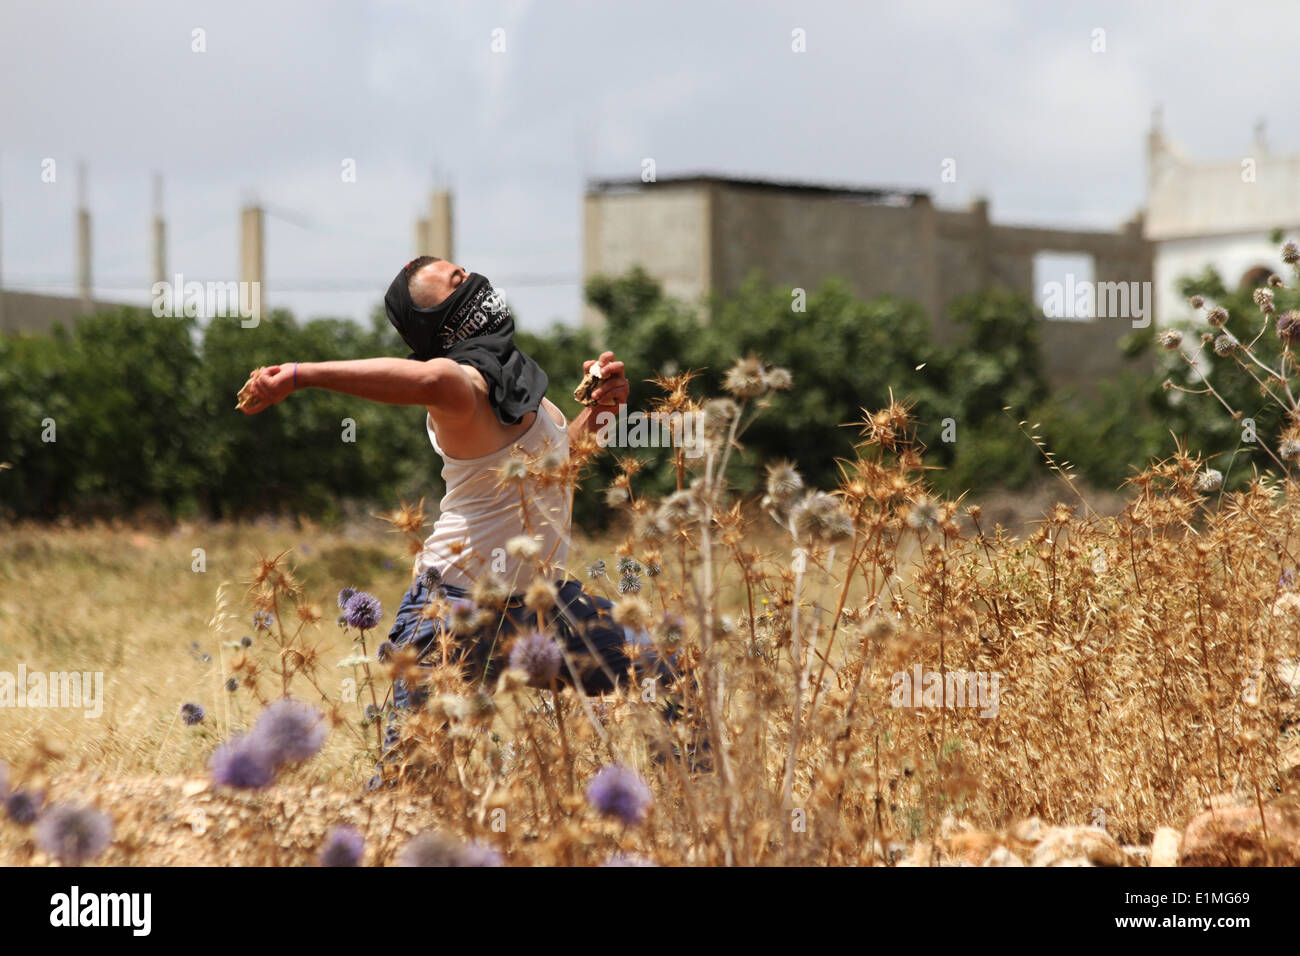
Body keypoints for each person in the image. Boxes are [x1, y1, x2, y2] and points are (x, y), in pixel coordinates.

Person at [237, 256, 668, 705]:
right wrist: (300, 375)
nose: (476, 281)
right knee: (415, 772)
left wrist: (601, 413)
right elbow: (430, 379)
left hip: (541, 606)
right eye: (457, 282)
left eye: (465, 272)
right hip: (453, 611)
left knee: (667, 670)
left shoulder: (517, 386)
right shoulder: (460, 388)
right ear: (438, 322)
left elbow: (550, 476)